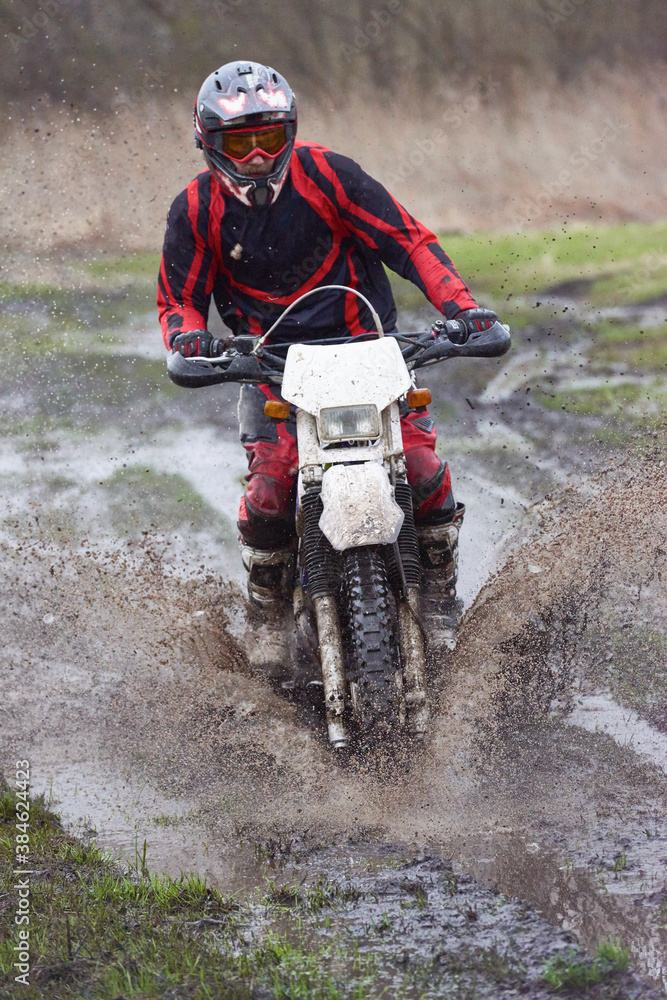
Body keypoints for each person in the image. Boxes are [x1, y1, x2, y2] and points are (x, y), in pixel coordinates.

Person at [158, 60, 500, 606]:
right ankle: (268, 612)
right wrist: (189, 341)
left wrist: (465, 308)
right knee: (269, 494)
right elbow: (180, 302)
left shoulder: (330, 174)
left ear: (290, 131)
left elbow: (408, 242)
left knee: (422, 471)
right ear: (210, 143)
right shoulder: (196, 209)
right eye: (242, 144)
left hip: (369, 355)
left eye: (270, 138)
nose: (259, 158)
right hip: (271, 368)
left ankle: (439, 587)